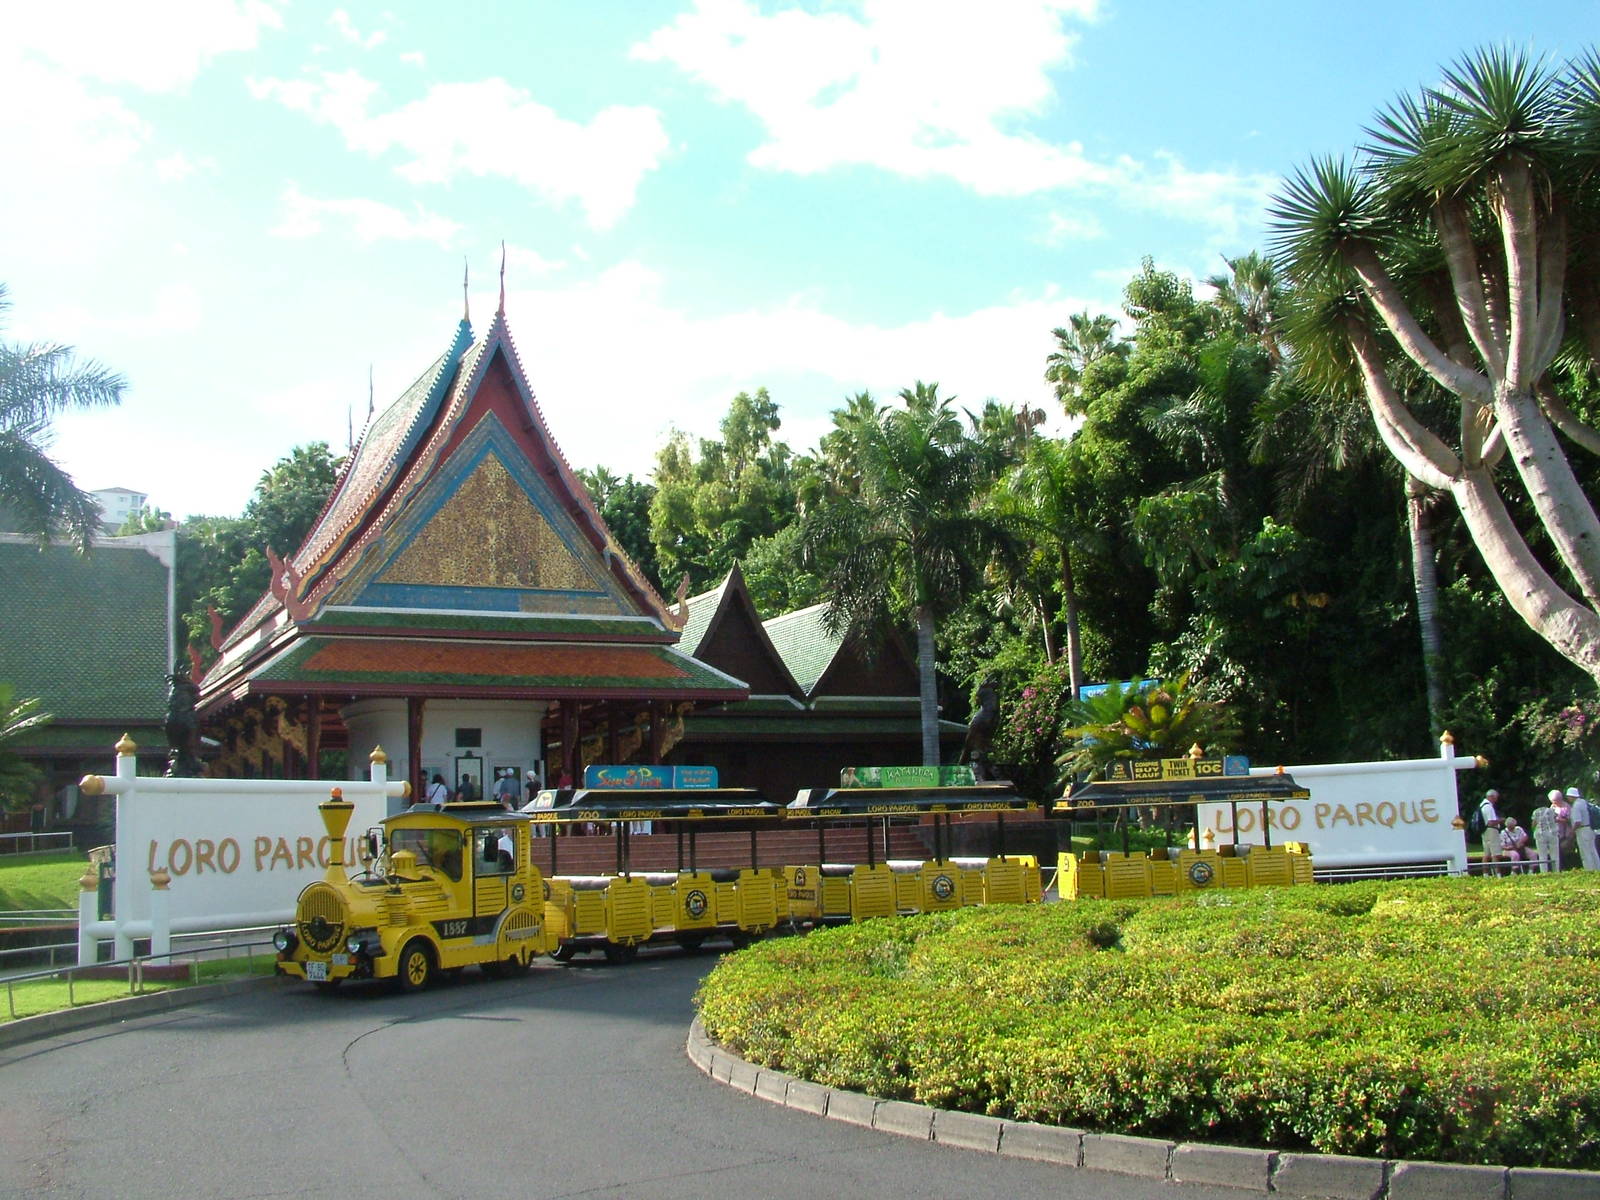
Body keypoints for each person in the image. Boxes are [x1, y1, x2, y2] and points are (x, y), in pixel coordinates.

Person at [1567, 786, 1599, 870]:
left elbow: (1578, 821)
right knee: (1592, 850)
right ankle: (1597, 868)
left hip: (1582, 830)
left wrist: (1572, 831)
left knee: (1585, 852)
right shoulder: (1584, 802)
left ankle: (1589, 870)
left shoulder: (1576, 806)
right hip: (1590, 829)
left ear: (1571, 796)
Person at [1531, 791, 1562, 873]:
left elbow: (1534, 823)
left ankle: (1544, 871)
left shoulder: (1535, 812)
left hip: (1540, 834)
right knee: (1555, 853)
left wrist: (1533, 830)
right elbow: (1556, 819)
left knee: (1542, 854)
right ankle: (1556, 871)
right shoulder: (1551, 810)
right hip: (1552, 833)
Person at [1476, 789, 1504, 875]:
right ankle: (1498, 874)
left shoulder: (1482, 805)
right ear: (1491, 797)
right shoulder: (1489, 807)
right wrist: (1501, 820)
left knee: (1486, 854)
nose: (1496, 800)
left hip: (1485, 831)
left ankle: (1485, 875)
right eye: (1496, 798)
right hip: (1491, 830)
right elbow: (1491, 822)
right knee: (1495, 854)